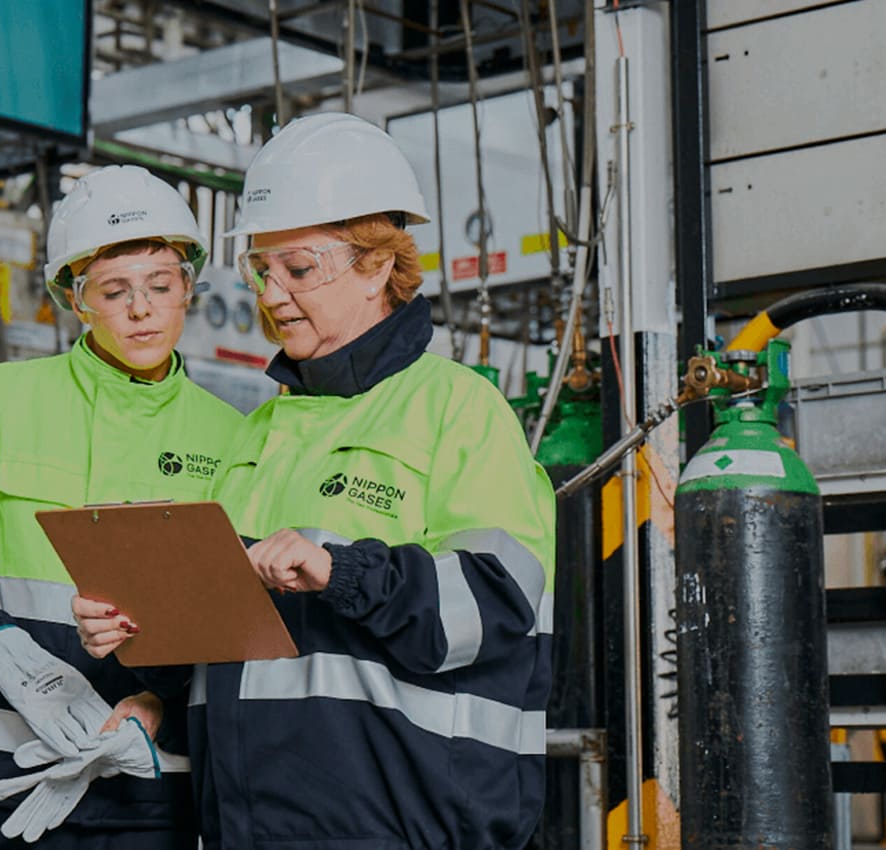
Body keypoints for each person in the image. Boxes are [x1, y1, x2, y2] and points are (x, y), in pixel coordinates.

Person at [75, 113, 556, 849]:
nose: (271, 295)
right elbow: (230, 647)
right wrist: (142, 639)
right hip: (249, 826)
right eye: (261, 271)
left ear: (376, 266)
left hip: (407, 826)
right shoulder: (256, 438)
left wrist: (339, 569)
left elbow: (494, 604)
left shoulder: (457, 408)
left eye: (297, 270)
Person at [0, 164, 242, 848]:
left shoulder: (234, 439)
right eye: (114, 290)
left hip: (147, 784)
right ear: (77, 299)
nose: (141, 309)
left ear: (188, 288)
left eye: (160, 286)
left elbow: (233, 638)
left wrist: (161, 708)